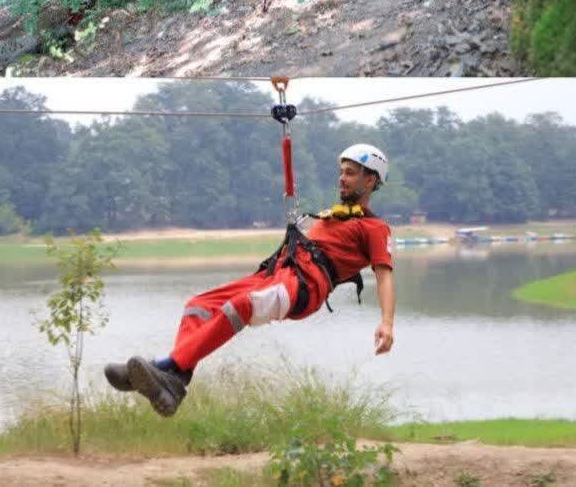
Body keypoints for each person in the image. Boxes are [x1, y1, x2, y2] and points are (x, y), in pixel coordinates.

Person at [104, 144, 397, 417]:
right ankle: (174, 382)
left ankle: (165, 368)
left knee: (242, 306)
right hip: (275, 273)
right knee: (199, 306)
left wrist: (386, 323)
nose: (342, 179)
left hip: (306, 284)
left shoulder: (374, 227)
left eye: (350, 173)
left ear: (370, 181)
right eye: (341, 172)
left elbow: (384, 276)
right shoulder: (333, 216)